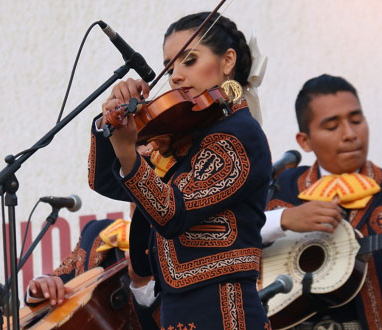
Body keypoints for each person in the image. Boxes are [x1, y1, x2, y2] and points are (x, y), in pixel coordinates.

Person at [89, 12, 273, 330]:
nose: (175, 75)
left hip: (225, 312)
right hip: (175, 311)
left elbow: (171, 212)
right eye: (170, 66)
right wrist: (110, 120)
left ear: (227, 60)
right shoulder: (181, 143)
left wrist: (129, 154)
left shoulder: (239, 136)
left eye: (189, 60)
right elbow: (104, 178)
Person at [263, 74, 382, 329]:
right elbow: (234, 240)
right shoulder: (282, 184)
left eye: (357, 120)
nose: (350, 134)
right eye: (331, 126)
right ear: (305, 141)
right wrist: (284, 219)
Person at [25, 218, 160, 330]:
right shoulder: (97, 231)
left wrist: (142, 286)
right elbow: (62, 278)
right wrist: (42, 287)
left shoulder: (174, 253)